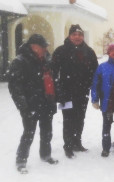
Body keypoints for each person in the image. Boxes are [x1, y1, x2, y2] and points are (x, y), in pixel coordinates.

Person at [8, 34, 58, 173]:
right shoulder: (20, 61)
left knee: (47, 131)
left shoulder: (46, 59)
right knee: (28, 133)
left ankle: (46, 155)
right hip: (31, 104)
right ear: (33, 46)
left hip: (47, 101)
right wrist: (23, 106)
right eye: (43, 46)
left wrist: (54, 97)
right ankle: (21, 161)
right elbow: (15, 86)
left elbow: (52, 79)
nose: (45, 48)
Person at [52, 24, 98, 158]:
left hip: (82, 92)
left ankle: (77, 142)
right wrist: (58, 89)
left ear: (83, 36)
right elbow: (53, 72)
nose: (77, 37)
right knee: (68, 119)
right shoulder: (60, 51)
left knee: (80, 118)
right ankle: (68, 146)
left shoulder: (89, 52)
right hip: (66, 92)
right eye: (74, 34)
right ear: (69, 36)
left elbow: (95, 71)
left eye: (80, 34)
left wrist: (91, 86)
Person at [91, 44, 114, 157]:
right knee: (107, 125)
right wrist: (95, 99)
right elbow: (96, 84)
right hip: (106, 101)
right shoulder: (102, 67)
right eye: (112, 51)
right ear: (108, 53)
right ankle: (106, 147)